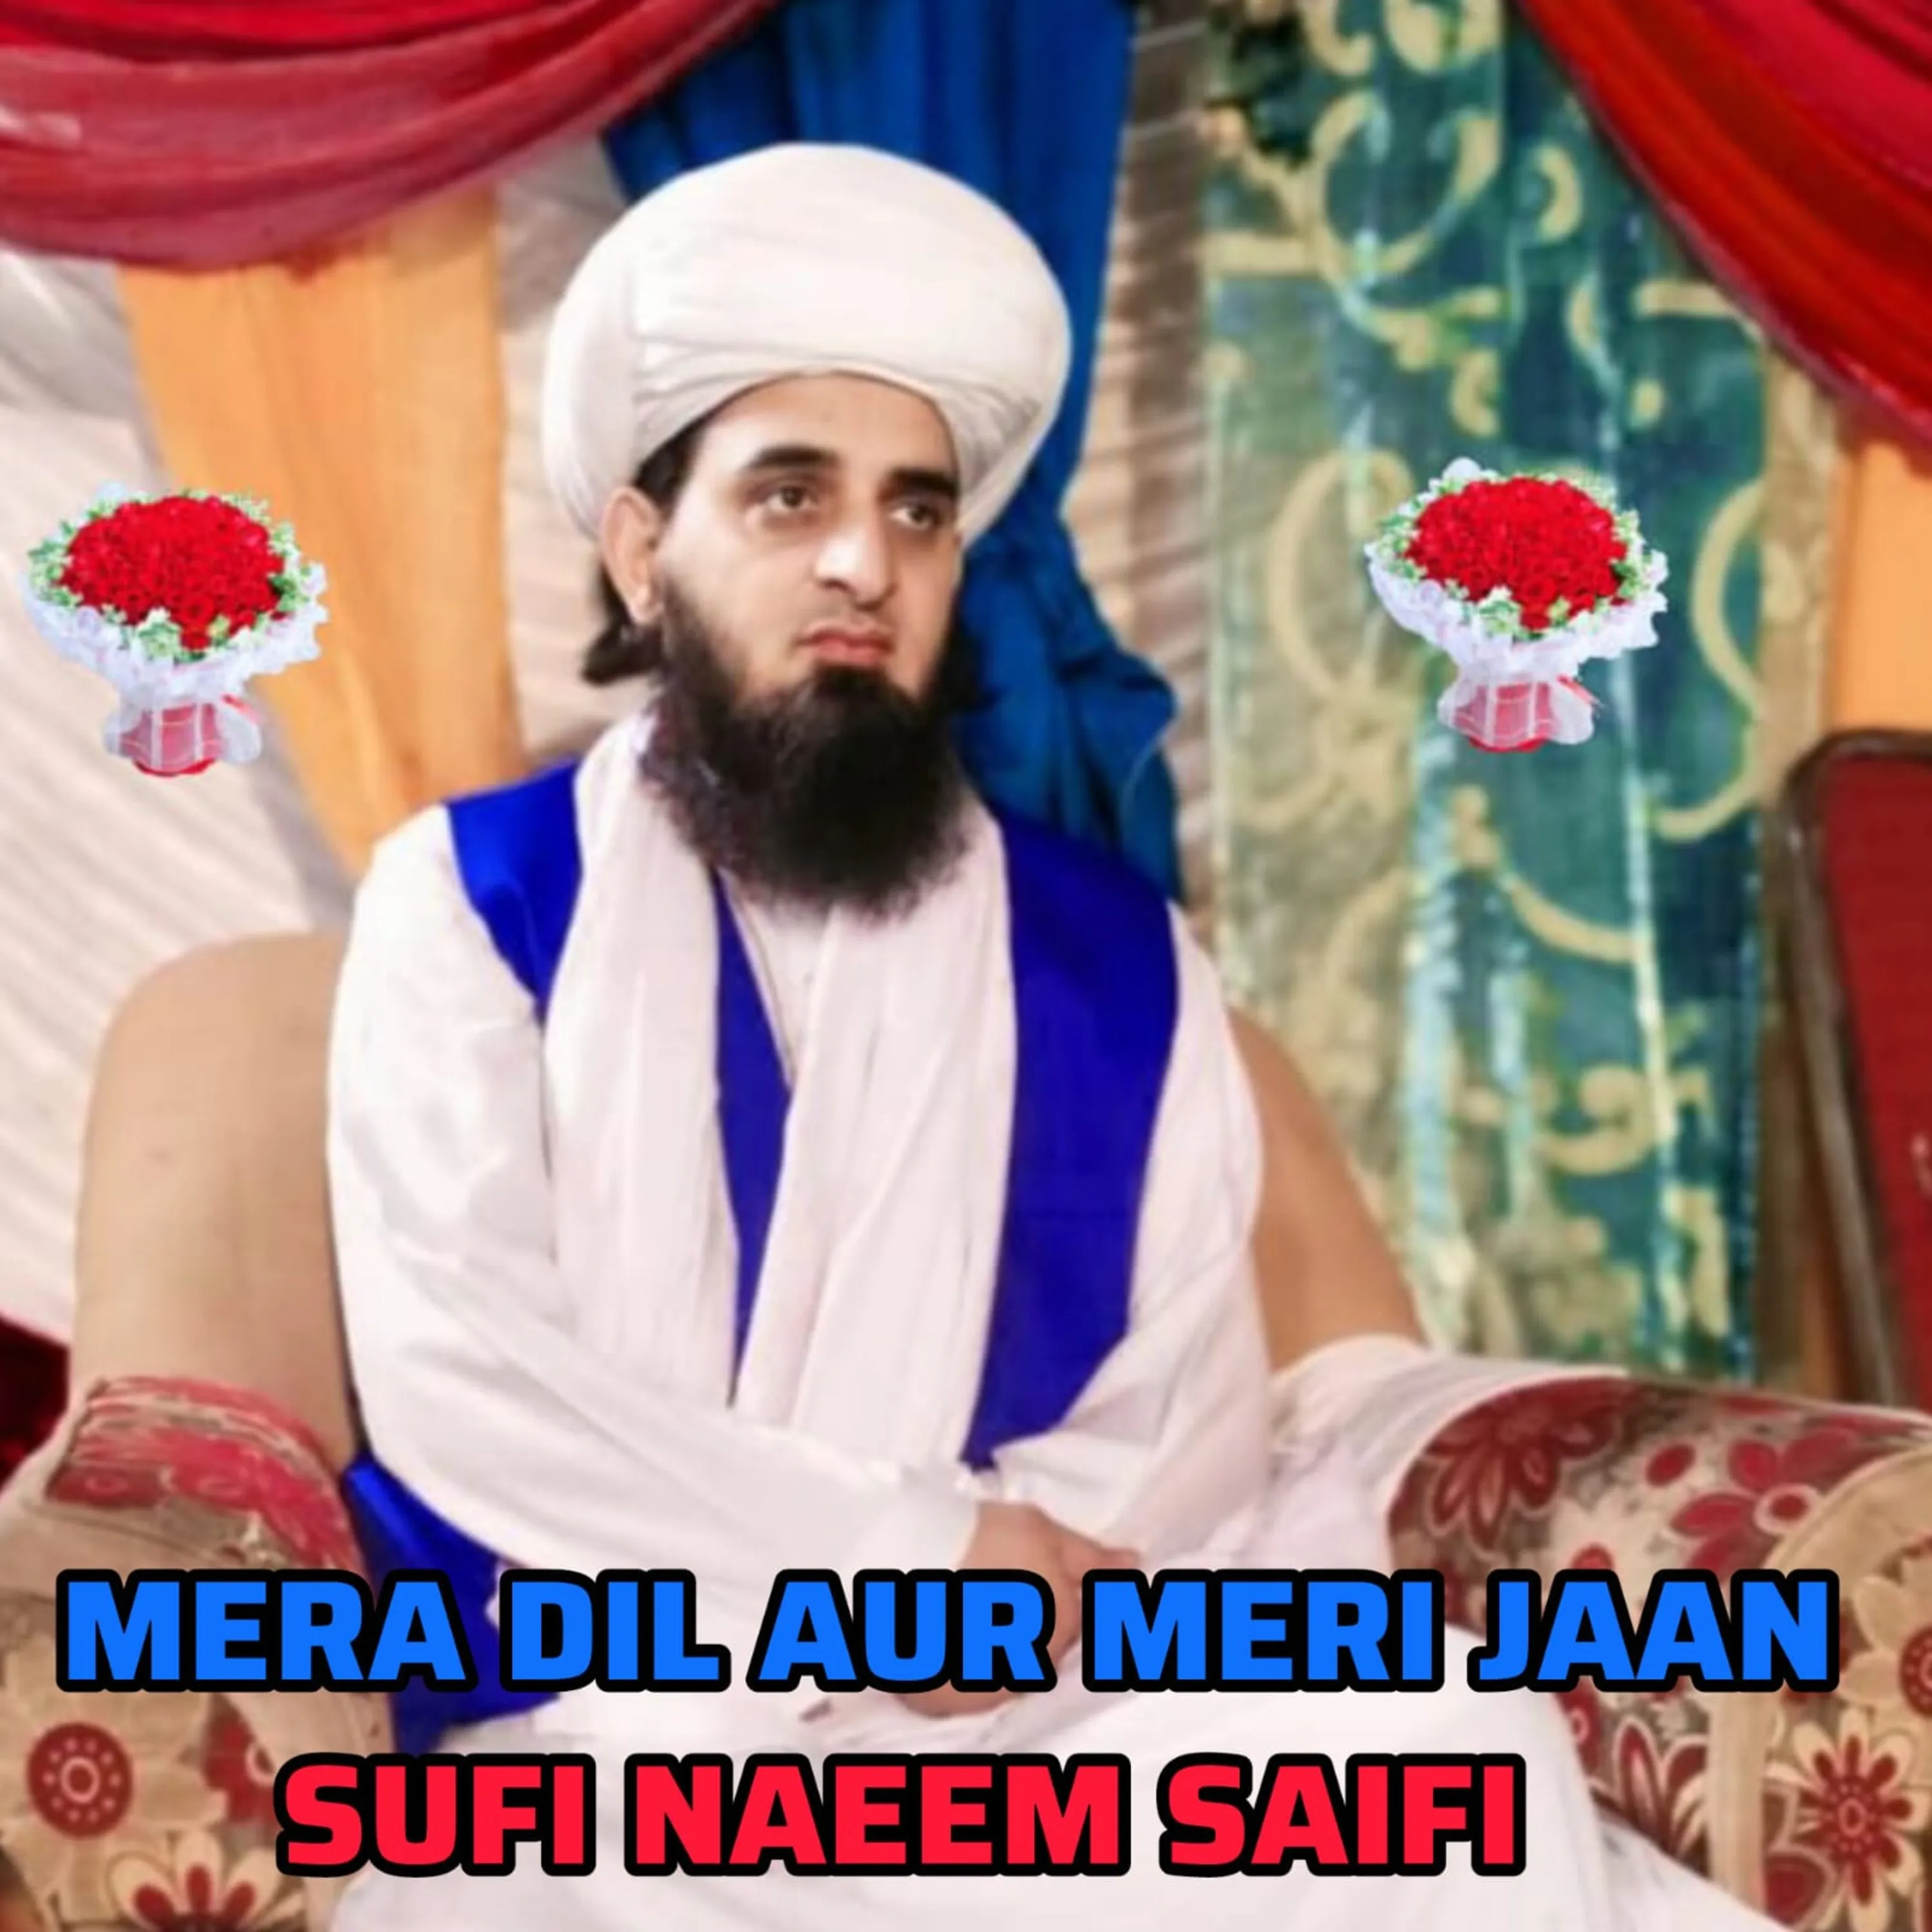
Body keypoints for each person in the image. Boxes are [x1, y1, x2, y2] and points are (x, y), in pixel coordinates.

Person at [325, 142, 1774, 1931]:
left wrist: (994, 1613)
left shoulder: (1116, 959)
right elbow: (468, 1382)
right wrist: (893, 1563)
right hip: (612, 1712)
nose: (862, 561)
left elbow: (1179, 1420)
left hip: (1022, 1705)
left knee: (1442, 1749)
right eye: (789, 497)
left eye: (917, 512)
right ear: (642, 550)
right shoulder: (468, 900)